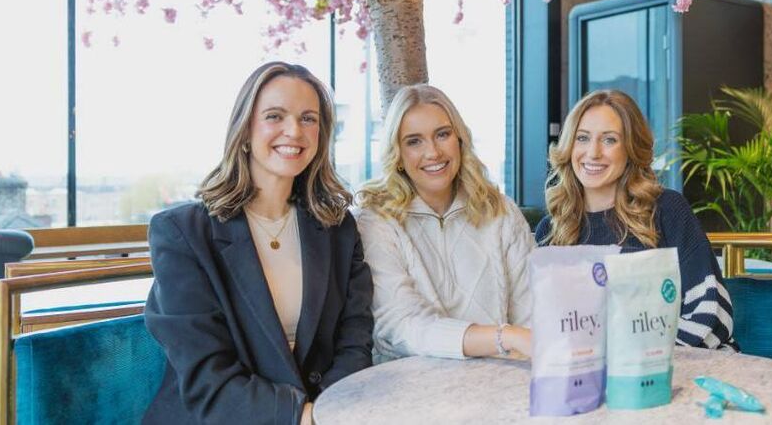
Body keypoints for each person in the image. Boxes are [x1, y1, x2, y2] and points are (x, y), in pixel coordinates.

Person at [144, 62, 373, 425]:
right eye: (274, 116)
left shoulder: (338, 228)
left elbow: (354, 339)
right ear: (246, 130)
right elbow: (206, 375)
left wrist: (331, 410)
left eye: (308, 118)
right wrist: (305, 417)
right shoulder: (181, 233)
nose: (294, 131)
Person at [535, 89, 737, 351]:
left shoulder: (667, 210)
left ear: (631, 149)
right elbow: (546, 327)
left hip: (680, 365)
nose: (593, 152)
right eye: (582, 138)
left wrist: (630, 354)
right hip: (586, 370)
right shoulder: (551, 230)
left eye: (609, 140)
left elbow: (713, 314)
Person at [356, 84, 534, 363]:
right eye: (414, 141)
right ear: (398, 154)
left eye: (443, 134)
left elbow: (533, 315)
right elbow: (401, 325)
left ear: (459, 139)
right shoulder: (377, 221)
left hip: (500, 377)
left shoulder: (501, 212)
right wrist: (503, 337)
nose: (433, 152)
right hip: (410, 383)